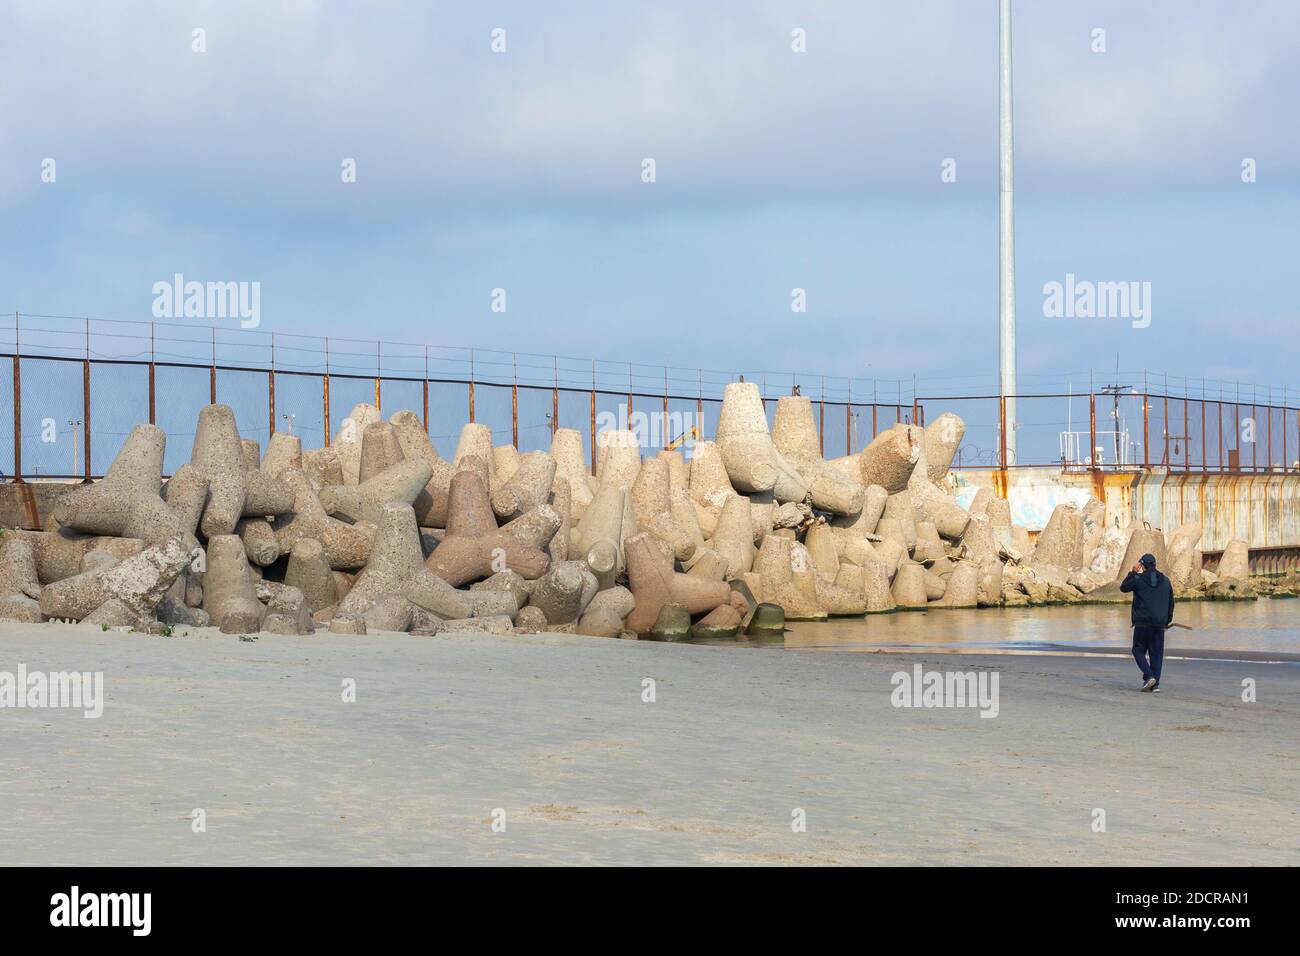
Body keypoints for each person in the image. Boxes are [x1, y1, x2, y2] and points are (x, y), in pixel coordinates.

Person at [1120, 553, 1174, 693]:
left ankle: (1149, 676)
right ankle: (1155, 684)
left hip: (1143, 623)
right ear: (1155, 564)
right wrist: (1167, 621)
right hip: (1159, 624)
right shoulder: (1166, 581)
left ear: (1142, 566)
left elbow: (1123, 587)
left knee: (1138, 650)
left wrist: (1132, 572)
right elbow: (1171, 603)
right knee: (1156, 654)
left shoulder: (1138, 579)